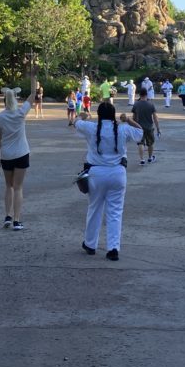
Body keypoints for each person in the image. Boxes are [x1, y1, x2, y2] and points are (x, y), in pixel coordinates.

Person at [74, 101, 144, 260]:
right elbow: (140, 132)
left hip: (96, 173)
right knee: (115, 212)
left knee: (94, 209)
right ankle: (113, 248)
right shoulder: (122, 128)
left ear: (98, 115)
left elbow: (76, 122)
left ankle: (90, 244)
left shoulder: (91, 128)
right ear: (113, 115)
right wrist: (128, 119)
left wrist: (82, 115)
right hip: (118, 173)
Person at [0, 88, 32, 231]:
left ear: (4, 102)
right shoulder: (21, 113)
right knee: (18, 187)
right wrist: (33, 78)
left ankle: (7, 216)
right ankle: (17, 220)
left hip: (6, 155)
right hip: (22, 153)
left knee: (8, 186)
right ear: (15, 101)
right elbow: (32, 94)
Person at [132, 87, 161, 165]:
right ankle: (150, 158)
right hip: (149, 127)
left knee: (140, 143)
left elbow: (133, 117)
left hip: (139, 127)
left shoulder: (136, 104)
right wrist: (158, 129)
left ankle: (142, 160)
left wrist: (133, 126)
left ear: (139, 94)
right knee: (150, 143)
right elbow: (155, 118)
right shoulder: (151, 104)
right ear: (146, 94)